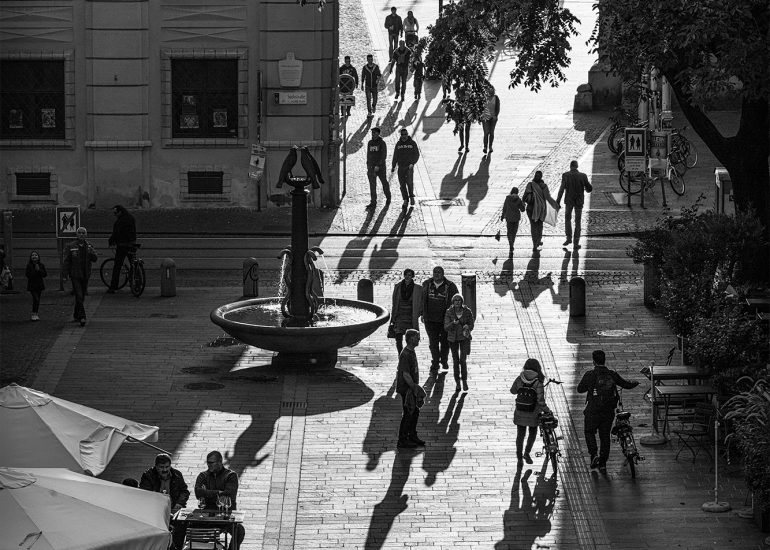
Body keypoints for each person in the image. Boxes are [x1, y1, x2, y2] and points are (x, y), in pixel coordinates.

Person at [577, 350, 639, 473]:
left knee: (589, 431)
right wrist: (635, 383)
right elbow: (626, 384)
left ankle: (594, 454)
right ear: (604, 360)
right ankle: (603, 463)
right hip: (608, 411)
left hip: (593, 410)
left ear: (593, 361)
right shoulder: (612, 374)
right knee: (604, 436)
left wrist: (590, 387)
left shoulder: (590, 374)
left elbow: (580, 389)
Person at [194, 451, 246, 549]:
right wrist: (218, 492)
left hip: (225, 515)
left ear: (220, 462)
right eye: (208, 462)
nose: (209, 465)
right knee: (186, 526)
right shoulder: (203, 475)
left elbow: (229, 495)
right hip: (207, 515)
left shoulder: (231, 475)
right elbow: (198, 493)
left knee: (239, 531)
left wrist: (207, 493)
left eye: (211, 463)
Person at [140, 453, 190, 550]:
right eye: (161, 467)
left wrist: (179, 503)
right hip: (155, 511)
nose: (165, 470)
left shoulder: (177, 475)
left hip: (174, 509)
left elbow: (185, 491)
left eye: (167, 467)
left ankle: (176, 547)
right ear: (156, 466)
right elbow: (145, 495)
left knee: (182, 523)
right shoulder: (148, 476)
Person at [510, 359, 550, 466]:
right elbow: (541, 401)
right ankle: (526, 453)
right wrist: (548, 411)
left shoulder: (520, 378)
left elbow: (512, 391)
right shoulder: (538, 382)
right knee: (532, 434)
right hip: (533, 413)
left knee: (520, 435)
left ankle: (519, 458)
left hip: (520, 412)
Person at [421, 266, 459, 375]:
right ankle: (435, 364)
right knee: (433, 343)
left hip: (445, 321)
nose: (436, 274)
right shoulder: (427, 284)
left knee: (444, 343)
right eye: (435, 272)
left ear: (443, 274)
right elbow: (422, 299)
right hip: (430, 320)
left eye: (439, 272)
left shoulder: (450, 286)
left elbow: (456, 301)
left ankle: (444, 360)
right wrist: (422, 313)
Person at [62, 227, 98, 326]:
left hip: (85, 274)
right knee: (79, 294)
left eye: (83, 233)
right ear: (76, 235)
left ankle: (76, 314)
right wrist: (64, 275)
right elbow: (66, 261)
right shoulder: (71, 246)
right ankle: (82, 316)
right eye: (79, 233)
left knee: (81, 297)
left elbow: (95, 259)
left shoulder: (89, 246)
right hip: (75, 274)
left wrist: (92, 252)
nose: (81, 234)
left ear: (86, 235)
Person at [396, 328, 425, 448]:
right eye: (417, 337)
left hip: (411, 387)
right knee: (408, 412)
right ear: (411, 339)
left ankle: (412, 434)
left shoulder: (410, 352)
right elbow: (405, 374)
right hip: (407, 389)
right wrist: (414, 388)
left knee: (415, 412)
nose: (419, 339)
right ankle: (403, 439)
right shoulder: (405, 354)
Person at [556, 160, 593, 249]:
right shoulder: (583, 176)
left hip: (569, 200)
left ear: (570, 166)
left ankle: (569, 238)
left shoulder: (566, 175)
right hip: (579, 201)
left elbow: (561, 189)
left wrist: (558, 201)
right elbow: (589, 188)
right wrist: (586, 188)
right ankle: (576, 242)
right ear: (577, 166)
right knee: (578, 221)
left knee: (567, 219)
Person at [522, 171, 559, 252]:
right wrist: (556, 205)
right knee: (539, 225)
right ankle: (538, 240)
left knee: (533, 226)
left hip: (530, 209)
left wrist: (523, 204)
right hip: (540, 209)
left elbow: (524, 197)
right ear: (541, 177)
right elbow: (548, 198)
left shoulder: (530, 185)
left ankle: (535, 243)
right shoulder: (544, 186)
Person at [444, 293, 474, 392]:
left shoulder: (467, 311)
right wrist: (453, 323)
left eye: (459, 300)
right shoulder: (449, 312)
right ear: (453, 302)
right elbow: (446, 327)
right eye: (455, 300)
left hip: (464, 338)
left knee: (463, 360)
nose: (457, 302)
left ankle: (464, 380)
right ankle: (457, 382)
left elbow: (471, 324)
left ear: (462, 302)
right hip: (453, 339)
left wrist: (468, 327)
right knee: (455, 361)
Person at [390, 268, 422, 354]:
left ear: (412, 277)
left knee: (411, 339)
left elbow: (420, 303)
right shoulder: (398, 287)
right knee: (398, 337)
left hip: (410, 316)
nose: (407, 277)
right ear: (404, 275)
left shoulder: (418, 288)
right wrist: (393, 316)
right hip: (399, 315)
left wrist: (419, 313)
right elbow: (394, 302)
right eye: (406, 275)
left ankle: (409, 354)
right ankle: (400, 355)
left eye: (409, 275)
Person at [107, 204, 136, 293]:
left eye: (115, 213)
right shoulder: (131, 218)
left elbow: (116, 233)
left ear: (120, 212)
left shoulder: (119, 222)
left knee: (117, 266)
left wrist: (111, 241)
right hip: (132, 244)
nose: (115, 215)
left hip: (122, 246)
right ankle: (135, 284)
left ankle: (113, 287)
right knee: (133, 264)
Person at [391, 128, 420, 210]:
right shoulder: (398, 144)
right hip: (401, 167)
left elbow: (416, 154)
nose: (404, 136)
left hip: (409, 167)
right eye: (402, 134)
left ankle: (411, 196)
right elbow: (395, 155)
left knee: (409, 183)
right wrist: (393, 166)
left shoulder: (412, 143)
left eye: (405, 134)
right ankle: (405, 200)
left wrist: (412, 163)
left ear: (407, 134)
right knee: (402, 184)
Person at [365, 127, 391, 210]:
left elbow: (383, 156)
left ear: (378, 134)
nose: (373, 135)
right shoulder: (370, 143)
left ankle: (388, 197)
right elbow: (368, 155)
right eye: (372, 133)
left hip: (381, 167)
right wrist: (368, 165)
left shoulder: (382, 143)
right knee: (372, 185)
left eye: (375, 133)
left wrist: (378, 165)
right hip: (371, 167)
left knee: (384, 182)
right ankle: (373, 202)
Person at [501, 187, 525, 257]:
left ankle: (510, 244)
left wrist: (502, 216)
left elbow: (504, 208)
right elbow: (523, 210)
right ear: (517, 192)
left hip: (509, 218)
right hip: (516, 218)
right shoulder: (518, 199)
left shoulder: (507, 199)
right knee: (514, 233)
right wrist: (523, 204)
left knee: (509, 232)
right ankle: (512, 245)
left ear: (511, 192)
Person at [25, 251, 47, 321]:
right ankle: (33, 314)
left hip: (39, 285)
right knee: (36, 298)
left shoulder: (41, 265)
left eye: (36, 255)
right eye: (33, 255)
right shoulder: (29, 265)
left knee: (37, 300)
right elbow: (28, 275)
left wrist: (39, 270)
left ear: (38, 257)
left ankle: (36, 313)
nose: (34, 256)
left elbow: (44, 274)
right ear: (31, 258)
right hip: (32, 285)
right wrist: (35, 271)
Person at [481, 87, 500, 154]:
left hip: (493, 118)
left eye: (492, 90)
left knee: (491, 132)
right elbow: (480, 107)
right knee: (486, 133)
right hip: (485, 118)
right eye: (489, 90)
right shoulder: (483, 98)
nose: (490, 91)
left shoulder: (496, 98)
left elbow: (497, 108)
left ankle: (490, 147)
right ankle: (485, 147)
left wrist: (495, 115)